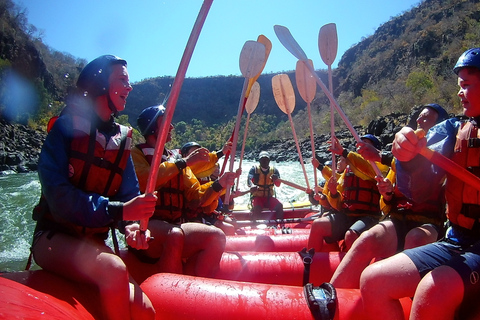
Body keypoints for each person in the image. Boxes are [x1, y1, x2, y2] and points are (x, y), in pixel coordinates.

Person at [30, 55, 156, 320]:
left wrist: (132, 229)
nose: (129, 87)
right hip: (54, 237)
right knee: (112, 268)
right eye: (122, 80)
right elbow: (60, 200)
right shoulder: (64, 130)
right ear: (99, 85)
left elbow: (128, 197)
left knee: (145, 311)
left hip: (92, 243)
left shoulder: (121, 141)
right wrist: (121, 211)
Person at [361, 48, 480, 320]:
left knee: (433, 289)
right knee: (374, 280)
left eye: (466, 85)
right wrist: (407, 158)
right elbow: (419, 187)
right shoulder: (453, 129)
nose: (460, 93)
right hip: (459, 239)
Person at [330, 104, 449, 289]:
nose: (419, 120)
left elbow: (426, 172)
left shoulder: (446, 153)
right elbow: (390, 199)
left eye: (426, 118)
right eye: (419, 117)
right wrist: (388, 194)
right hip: (398, 219)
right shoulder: (399, 161)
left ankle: (407, 297)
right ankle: (332, 298)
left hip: (429, 223)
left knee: (415, 239)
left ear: (438, 125)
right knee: (366, 238)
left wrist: (377, 156)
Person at [130, 105, 239, 277]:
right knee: (173, 235)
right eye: (165, 121)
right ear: (152, 127)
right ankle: (170, 294)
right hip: (146, 227)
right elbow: (144, 181)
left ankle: (196, 288)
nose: (172, 126)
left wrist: (219, 184)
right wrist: (183, 163)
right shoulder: (137, 154)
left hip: (176, 225)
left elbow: (197, 197)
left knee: (216, 237)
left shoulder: (177, 159)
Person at [307, 135, 389, 252]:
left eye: (366, 143)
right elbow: (338, 201)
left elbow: (365, 170)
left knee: (351, 235)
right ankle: (311, 264)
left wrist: (345, 153)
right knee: (317, 225)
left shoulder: (380, 167)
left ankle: (355, 267)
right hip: (348, 215)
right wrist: (334, 193)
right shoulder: (349, 169)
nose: (362, 146)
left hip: (369, 217)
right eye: (361, 143)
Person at [247, 151, 284, 221]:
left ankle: (278, 224)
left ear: (269, 160)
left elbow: (278, 185)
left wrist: (276, 179)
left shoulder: (274, 171)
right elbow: (249, 180)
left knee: (279, 206)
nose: (264, 161)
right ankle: (255, 225)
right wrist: (252, 185)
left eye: (266, 159)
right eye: (262, 159)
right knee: (257, 208)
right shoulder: (254, 170)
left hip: (269, 198)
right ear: (259, 161)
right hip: (257, 197)